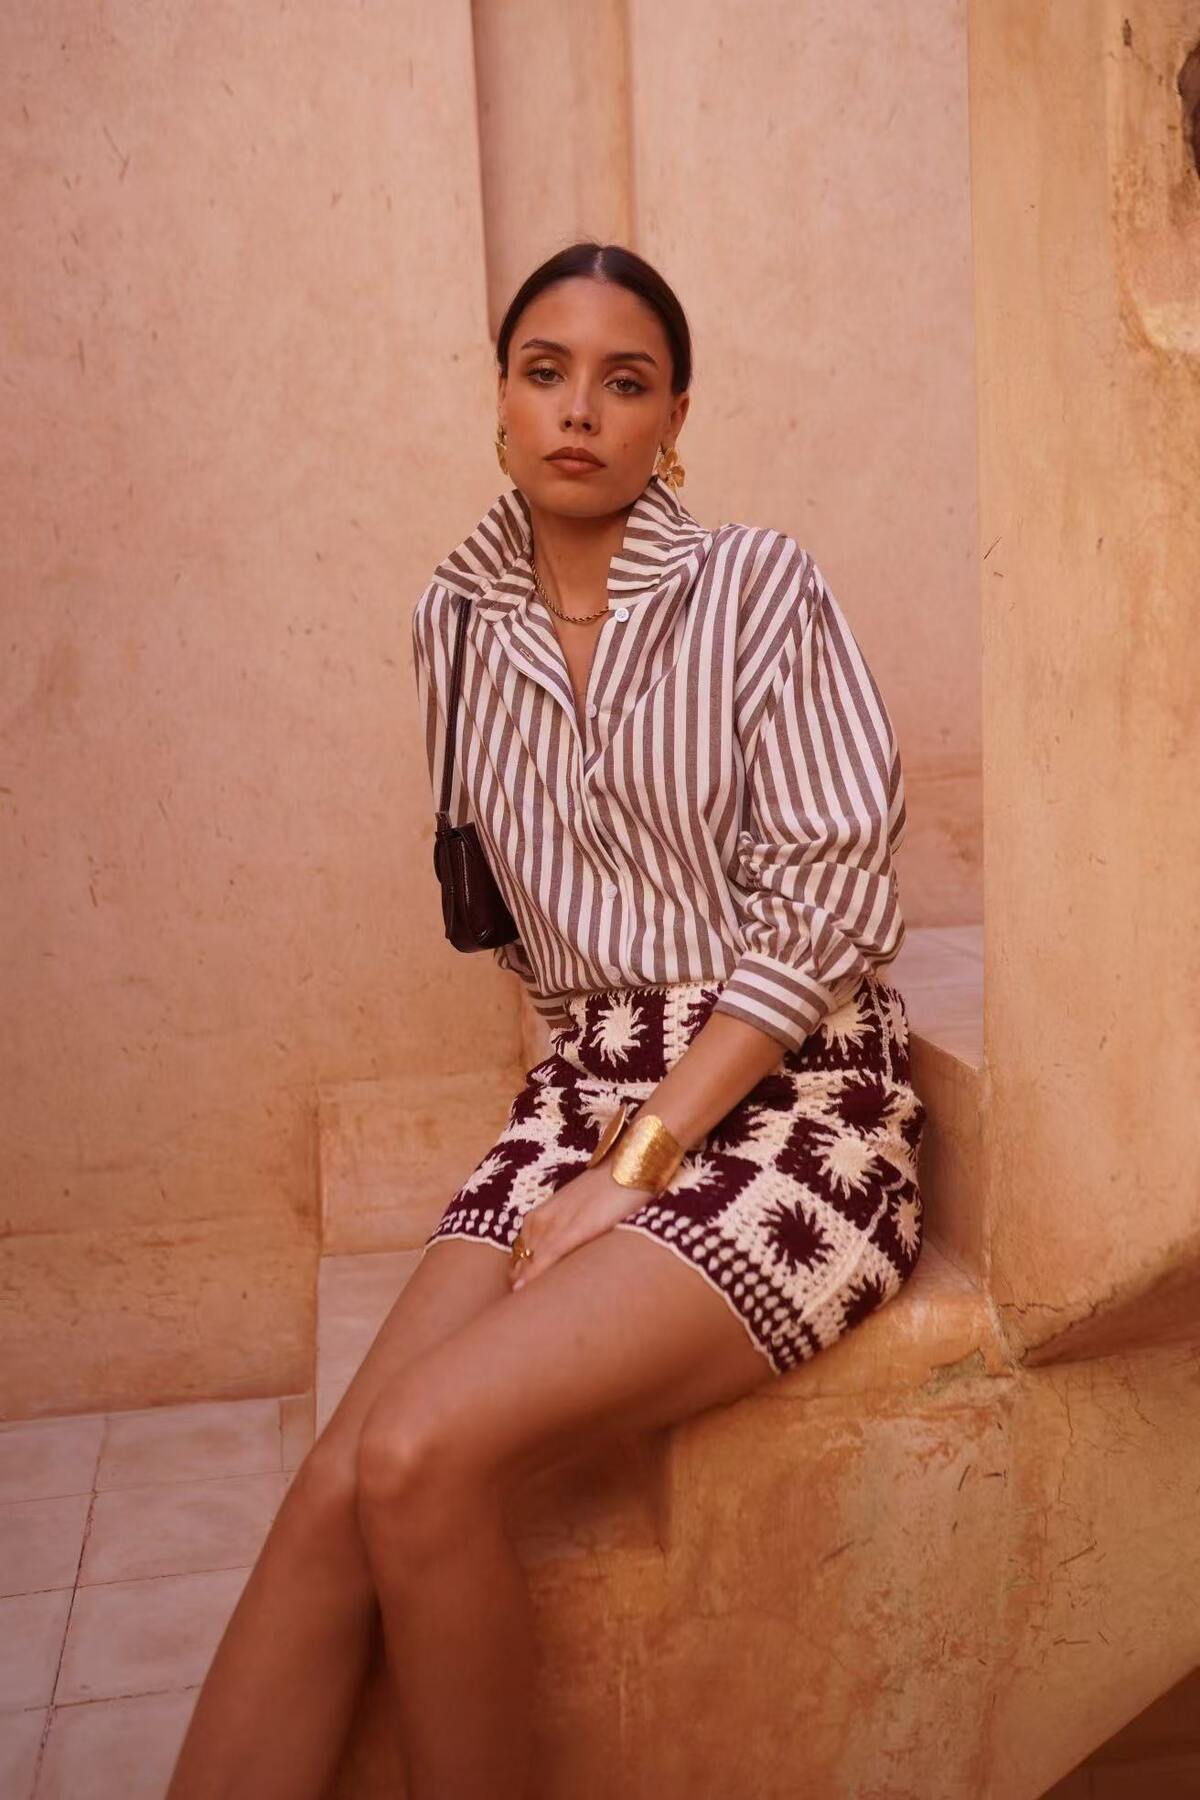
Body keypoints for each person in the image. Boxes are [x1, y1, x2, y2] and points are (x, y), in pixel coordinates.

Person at [166, 239, 927, 1800]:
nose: (581, 409)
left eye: (624, 381)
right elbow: (510, 911)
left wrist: (637, 1160)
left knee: (422, 1456)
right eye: (546, 371)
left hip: (797, 1090)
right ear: (501, 401)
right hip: (581, 1080)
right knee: (334, 1499)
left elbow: (839, 902)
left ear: (674, 419)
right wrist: (586, 1118)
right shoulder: (454, 621)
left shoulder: (760, 587)